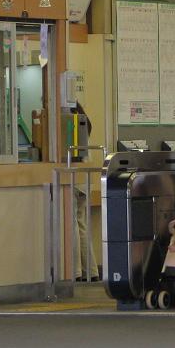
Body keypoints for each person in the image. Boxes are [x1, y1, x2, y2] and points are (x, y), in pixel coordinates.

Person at [71, 102, 99, 282]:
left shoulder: (70, 122)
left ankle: (75, 271)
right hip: (85, 179)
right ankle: (91, 270)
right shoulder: (84, 122)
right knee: (81, 223)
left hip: (73, 178)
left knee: (71, 222)